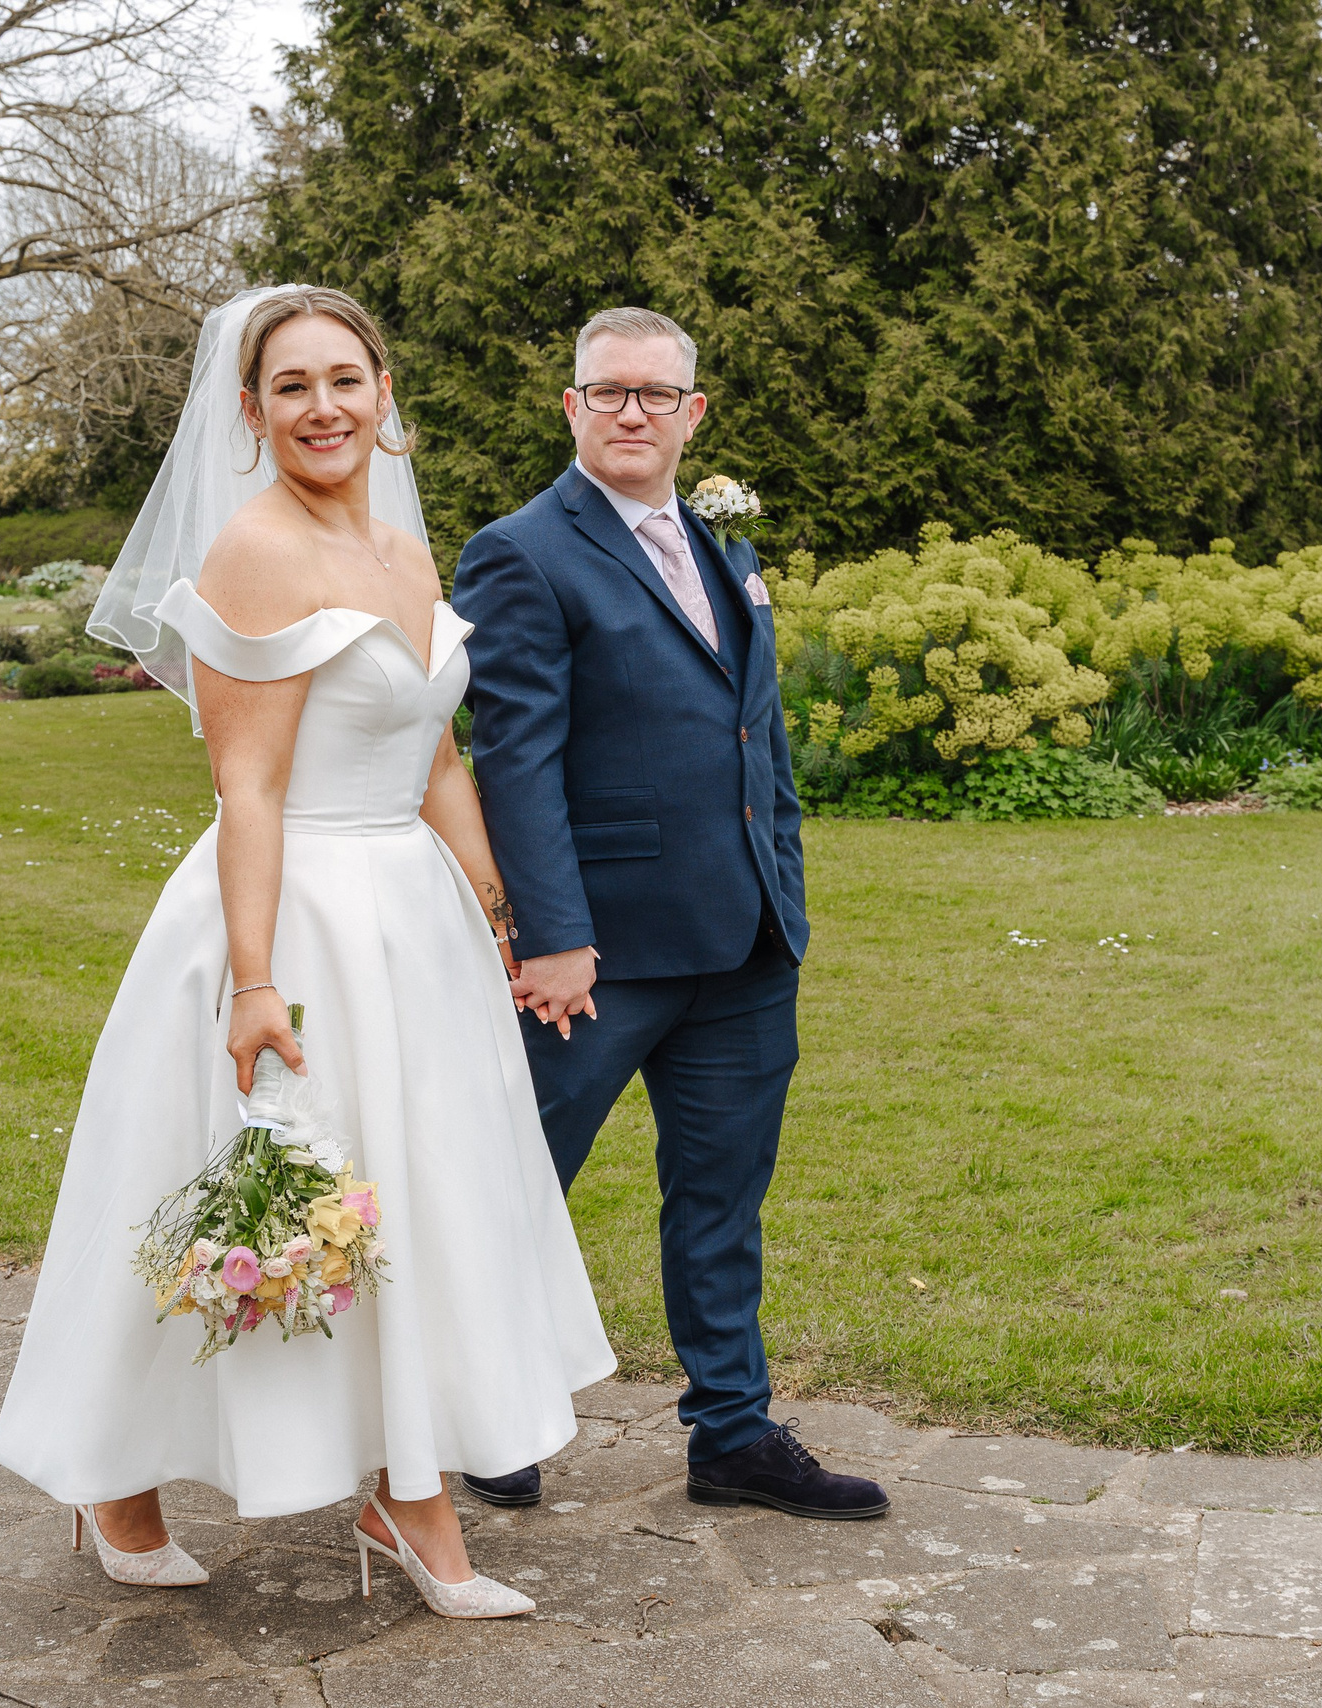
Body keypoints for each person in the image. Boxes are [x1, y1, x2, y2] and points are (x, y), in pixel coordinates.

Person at [0, 286, 615, 1619]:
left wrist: (502, 908)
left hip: (416, 923)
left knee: (425, 1197)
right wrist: (257, 980)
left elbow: (436, 755)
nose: (324, 406)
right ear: (251, 410)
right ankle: (120, 1482)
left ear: (386, 394)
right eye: (293, 387)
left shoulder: (400, 551)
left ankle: (404, 1491)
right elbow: (251, 790)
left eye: (347, 379)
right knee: (257, 1198)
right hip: (296, 917)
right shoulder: (256, 553)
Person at [452, 307, 887, 1521]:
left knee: (721, 1199)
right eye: (608, 392)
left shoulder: (715, 543)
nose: (631, 412)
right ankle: (481, 1411)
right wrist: (546, 934)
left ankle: (732, 1434)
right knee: (519, 1184)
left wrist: (782, 876)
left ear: (693, 414)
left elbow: (757, 731)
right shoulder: (519, 552)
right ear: (571, 408)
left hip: (745, 943)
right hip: (597, 957)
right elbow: (514, 760)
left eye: (655, 394)